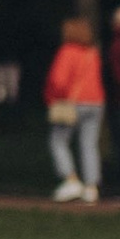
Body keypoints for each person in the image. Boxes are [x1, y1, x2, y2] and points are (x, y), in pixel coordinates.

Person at [46, 15, 103, 202]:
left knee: (58, 140)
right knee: (89, 143)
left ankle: (71, 180)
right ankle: (91, 187)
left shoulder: (67, 51)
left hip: (73, 102)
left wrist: (52, 97)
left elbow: (58, 80)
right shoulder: (92, 52)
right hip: (96, 102)